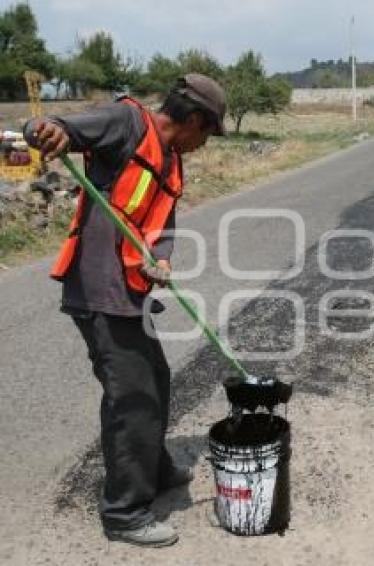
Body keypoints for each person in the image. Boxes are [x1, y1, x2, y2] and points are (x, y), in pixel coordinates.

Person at [25, 74, 226, 547]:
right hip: (99, 290)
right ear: (194, 120)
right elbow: (54, 126)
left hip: (130, 291)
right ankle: (124, 512)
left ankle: (152, 467)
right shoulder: (126, 122)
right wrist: (48, 130)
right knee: (131, 400)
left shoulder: (171, 160)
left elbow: (161, 223)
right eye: (209, 133)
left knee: (154, 379)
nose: (205, 144)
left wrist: (160, 259)